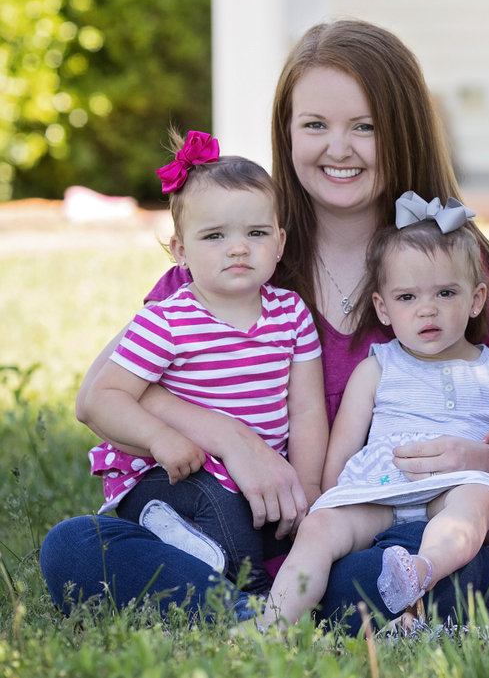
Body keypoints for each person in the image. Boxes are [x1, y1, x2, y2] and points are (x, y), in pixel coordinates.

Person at [41, 18, 489, 631]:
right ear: (286, 133)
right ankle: (256, 611)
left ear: (403, 132)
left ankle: (289, 614)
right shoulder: (234, 255)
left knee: (453, 567)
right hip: (216, 538)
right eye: (314, 125)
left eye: (365, 126)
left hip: (372, 537)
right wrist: (233, 440)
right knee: (77, 548)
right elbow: (101, 393)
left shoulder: (452, 264)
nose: (338, 149)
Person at [79, 129, 327, 596]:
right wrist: (161, 438)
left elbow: (307, 410)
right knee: (226, 517)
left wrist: (309, 487)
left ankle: (191, 566)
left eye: (255, 234)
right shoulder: (170, 319)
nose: (238, 248)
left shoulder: (291, 313)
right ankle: (244, 596)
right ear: (181, 252)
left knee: (255, 526)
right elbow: (100, 399)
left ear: (279, 243)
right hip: (176, 476)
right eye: (215, 236)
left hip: (257, 481)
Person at [262, 193, 489, 627]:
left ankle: (422, 570)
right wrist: (329, 505)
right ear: (383, 307)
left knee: (472, 506)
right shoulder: (378, 367)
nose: (427, 308)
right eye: (407, 297)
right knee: (319, 529)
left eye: (446, 292)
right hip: (379, 486)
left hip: (460, 485)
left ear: (476, 299)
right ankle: (273, 624)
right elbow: (339, 456)